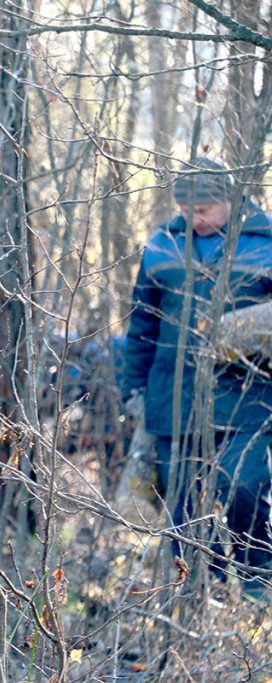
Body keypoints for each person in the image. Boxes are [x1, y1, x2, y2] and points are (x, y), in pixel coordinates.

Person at [121, 157, 272, 596]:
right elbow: (141, 325)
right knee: (182, 503)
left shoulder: (264, 242)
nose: (196, 218)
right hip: (173, 396)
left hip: (249, 396)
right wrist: (133, 388)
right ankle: (194, 592)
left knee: (242, 486)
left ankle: (256, 579)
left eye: (205, 208)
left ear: (230, 200)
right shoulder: (162, 246)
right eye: (189, 209)